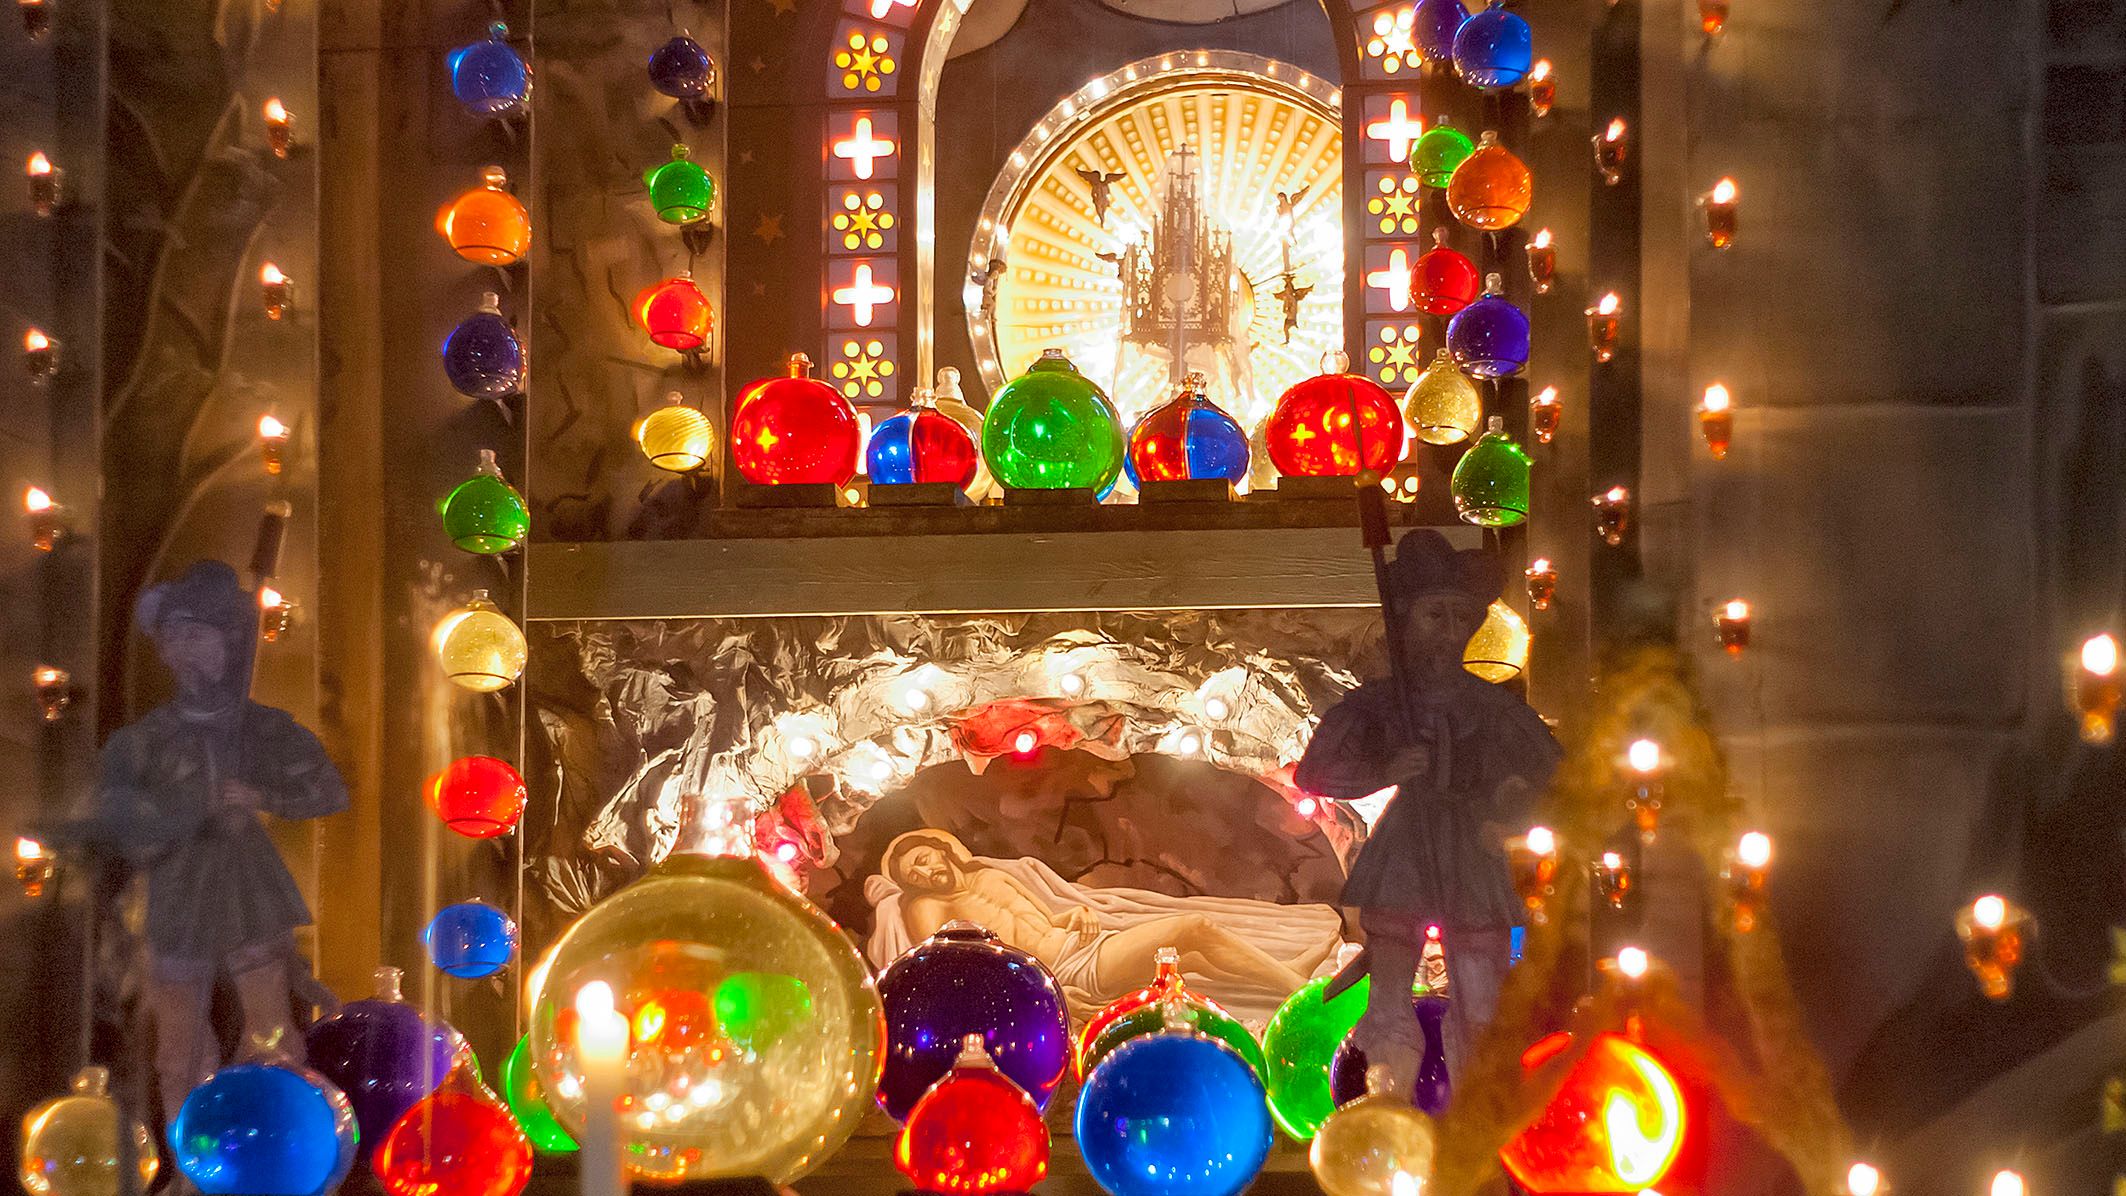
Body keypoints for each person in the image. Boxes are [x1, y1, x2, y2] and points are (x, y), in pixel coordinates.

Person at [56, 561, 348, 1123]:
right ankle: (193, 1172)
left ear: (227, 639)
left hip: (246, 883)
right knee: (179, 1053)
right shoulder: (144, 741)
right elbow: (106, 813)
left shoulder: (264, 728)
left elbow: (327, 790)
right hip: (177, 889)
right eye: (172, 637)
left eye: (197, 634)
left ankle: (275, 1154)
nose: (183, 650)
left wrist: (258, 794)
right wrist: (175, 813)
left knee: (272, 1040)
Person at [1294, 530, 1561, 1091]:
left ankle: (1477, 1125)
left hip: (1473, 858)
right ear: (1406, 619)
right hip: (1407, 853)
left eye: (1460, 618)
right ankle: (1389, 1107)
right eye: (1433, 615)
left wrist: (1509, 812)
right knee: (1388, 1008)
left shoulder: (1492, 708)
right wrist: (1386, 770)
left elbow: (1553, 780)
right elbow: (1314, 773)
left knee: (1483, 1008)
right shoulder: (1377, 704)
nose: (1449, 632)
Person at [875, 829, 1335, 1011]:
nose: (921, 870)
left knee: (1189, 957)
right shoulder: (925, 909)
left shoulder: (988, 874)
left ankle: (1286, 975)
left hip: (1078, 945)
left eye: (920, 858)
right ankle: (1294, 984)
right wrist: (1045, 992)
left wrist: (1071, 913)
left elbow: (1044, 914)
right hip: (1069, 972)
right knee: (1193, 929)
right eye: (911, 873)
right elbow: (953, 965)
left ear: (939, 849)